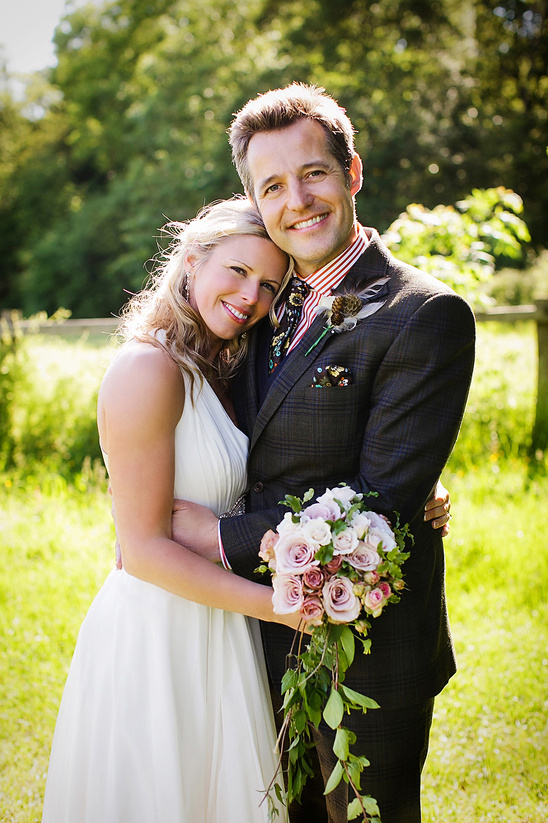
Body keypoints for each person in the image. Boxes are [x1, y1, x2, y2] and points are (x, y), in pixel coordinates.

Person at [169, 84, 476, 823]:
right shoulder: (257, 303)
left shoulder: (424, 314)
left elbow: (376, 502)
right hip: (250, 631)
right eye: (272, 185)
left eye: (313, 173)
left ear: (353, 175)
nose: (297, 200)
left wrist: (213, 534)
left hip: (368, 644)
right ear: (253, 199)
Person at [41, 197, 302, 823]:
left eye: (269, 285)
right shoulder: (148, 368)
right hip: (160, 634)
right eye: (237, 271)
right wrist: (285, 610)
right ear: (191, 260)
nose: (251, 297)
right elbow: (143, 550)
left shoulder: (219, 367)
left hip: (218, 619)